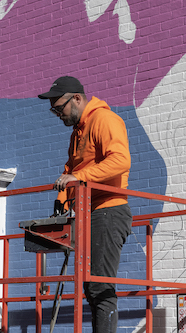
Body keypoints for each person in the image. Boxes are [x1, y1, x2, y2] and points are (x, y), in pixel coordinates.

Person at [38, 76, 133, 333]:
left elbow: (121, 160)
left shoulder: (105, 120)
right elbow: (70, 170)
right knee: (90, 286)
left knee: (99, 285)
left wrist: (79, 178)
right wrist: (61, 202)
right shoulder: (77, 133)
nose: (58, 114)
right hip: (87, 212)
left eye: (60, 108)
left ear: (77, 99)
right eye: (54, 110)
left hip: (108, 210)